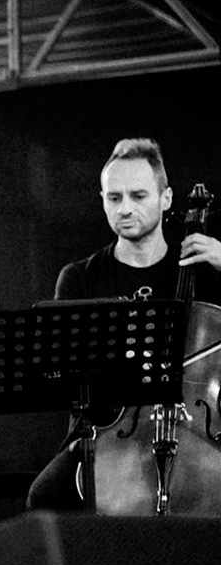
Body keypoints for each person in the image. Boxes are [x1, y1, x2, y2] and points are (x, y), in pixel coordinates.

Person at [27, 137, 221, 511]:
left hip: (196, 426)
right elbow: (64, 377)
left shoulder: (204, 269)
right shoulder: (80, 278)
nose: (125, 208)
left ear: (165, 199)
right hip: (108, 431)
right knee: (45, 496)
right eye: (114, 198)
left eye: (138, 196)